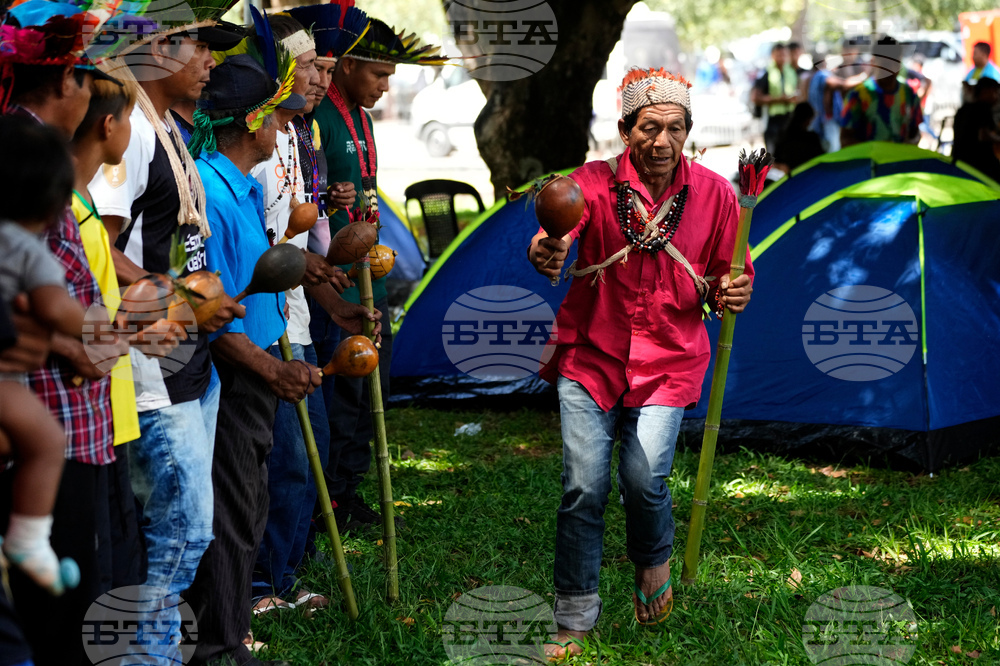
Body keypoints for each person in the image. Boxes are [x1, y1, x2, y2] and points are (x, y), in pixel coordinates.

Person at [527, 67, 753, 659]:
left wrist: (733, 290)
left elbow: (735, 273)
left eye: (675, 127)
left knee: (643, 478)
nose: (662, 140)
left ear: (688, 133)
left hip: (671, 358)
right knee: (584, 486)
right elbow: (558, 230)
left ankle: (653, 562)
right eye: (649, 127)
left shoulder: (717, 194)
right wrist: (546, 248)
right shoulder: (591, 184)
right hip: (589, 354)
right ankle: (574, 615)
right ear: (626, 130)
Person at [86, 3, 245, 649]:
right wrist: (173, 293)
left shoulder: (168, 128)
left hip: (188, 359)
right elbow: (98, 241)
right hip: (151, 363)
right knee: (181, 532)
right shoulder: (133, 134)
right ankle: (139, 657)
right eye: (193, 45)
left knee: (181, 530)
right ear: (151, 51)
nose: (208, 61)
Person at [184, 43, 318, 666]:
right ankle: (220, 646)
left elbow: (256, 281)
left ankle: (229, 632)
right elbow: (212, 311)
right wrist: (270, 368)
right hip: (235, 374)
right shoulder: (210, 191)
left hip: (258, 368)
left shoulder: (237, 184)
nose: (280, 126)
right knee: (234, 511)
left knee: (250, 501)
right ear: (249, 123)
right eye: (274, 116)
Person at [0, 4, 126, 664]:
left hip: (70, 409)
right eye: (87, 76)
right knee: (55, 624)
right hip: (44, 412)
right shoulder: (20, 159)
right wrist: (83, 342)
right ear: (67, 85)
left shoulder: (36, 151)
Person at [250, 12, 377, 620]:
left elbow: (303, 257)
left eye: (325, 68)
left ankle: (287, 573)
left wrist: (340, 306)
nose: (319, 81)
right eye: (308, 68)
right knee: (287, 461)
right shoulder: (255, 144)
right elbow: (267, 254)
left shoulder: (301, 139)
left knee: (311, 453)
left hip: (297, 322)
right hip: (261, 328)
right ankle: (261, 587)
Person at [311, 17, 444, 533]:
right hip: (332, 281)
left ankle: (349, 487)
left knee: (371, 388)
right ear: (347, 66)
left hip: (373, 274)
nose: (386, 86)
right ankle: (332, 501)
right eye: (379, 74)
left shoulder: (362, 117)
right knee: (341, 389)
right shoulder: (320, 113)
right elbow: (306, 196)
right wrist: (325, 202)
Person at [0, 117, 85, 598]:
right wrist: (101, 328)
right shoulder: (26, 247)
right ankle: (29, 540)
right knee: (48, 442)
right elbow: (53, 307)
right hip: (6, 382)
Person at [840, 35, 922, 147]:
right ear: (873, 62)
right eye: (886, 65)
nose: (891, 70)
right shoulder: (858, 95)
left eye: (896, 64)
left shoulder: (909, 94)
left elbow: (915, 134)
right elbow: (845, 139)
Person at [807, 46, 868, 152]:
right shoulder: (822, 75)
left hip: (821, 121)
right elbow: (844, 84)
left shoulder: (813, 77)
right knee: (832, 151)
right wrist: (864, 76)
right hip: (827, 122)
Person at [752, 43, 799, 154]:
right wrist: (779, 99)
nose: (782, 58)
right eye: (779, 55)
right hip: (772, 120)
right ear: (773, 56)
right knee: (773, 155)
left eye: (784, 55)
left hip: (789, 119)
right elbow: (755, 97)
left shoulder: (791, 72)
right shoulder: (766, 73)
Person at [952, 77, 1000, 182]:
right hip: (979, 166)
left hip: (960, 164)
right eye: (995, 91)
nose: (996, 96)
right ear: (985, 91)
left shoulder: (963, 109)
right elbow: (983, 136)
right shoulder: (983, 109)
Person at [774, 102, 825, 172]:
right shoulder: (812, 138)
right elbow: (821, 158)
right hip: (808, 175)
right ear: (807, 119)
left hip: (788, 177)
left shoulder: (782, 135)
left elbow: (775, 161)